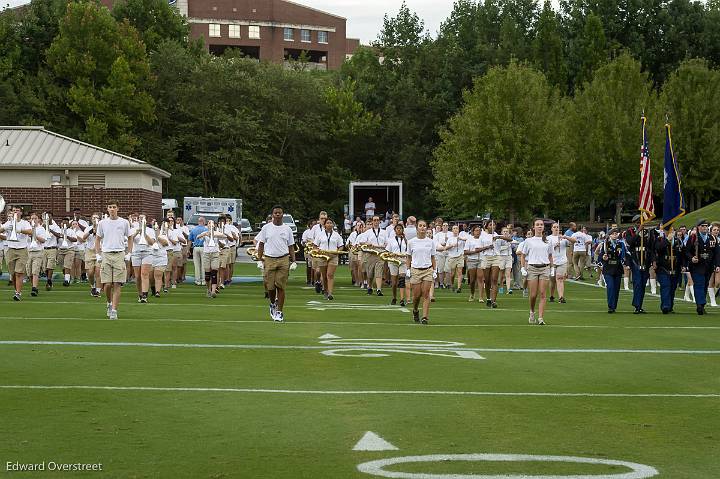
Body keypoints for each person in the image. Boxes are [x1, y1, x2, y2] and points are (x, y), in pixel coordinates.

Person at [256, 205, 297, 322]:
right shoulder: (266, 228)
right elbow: (261, 244)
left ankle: (279, 311)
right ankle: (273, 303)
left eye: (280, 213)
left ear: (282, 214)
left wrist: (293, 260)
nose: (278, 215)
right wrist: (259, 259)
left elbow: (291, 246)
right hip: (269, 258)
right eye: (276, 213)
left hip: (283, 258)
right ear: (272, 215)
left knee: (281, 285)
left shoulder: (287, 229)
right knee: (270, 286)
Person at [95, 200, 131, 320]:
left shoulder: (124, 222)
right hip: (106, 254)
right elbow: (98, 239)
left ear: (118, 208)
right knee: (107, 284)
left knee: (117, 283)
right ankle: (109, 303)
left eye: (114, 207)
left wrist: (129, 253)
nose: (112, 209)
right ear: (107, 209)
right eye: (110, 207)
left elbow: (130, 238)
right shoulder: (102, 223)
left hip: (119, 253)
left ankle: (114, 310)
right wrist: (98, 253)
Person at [519, 219, 554, 325]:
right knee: (533, 295)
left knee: (543, 294)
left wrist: (552, 268)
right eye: (537, 225)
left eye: (541, 225)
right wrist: (522, 268)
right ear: (533, 227)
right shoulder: (528, 241)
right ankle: (532, 311)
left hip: (545, 268)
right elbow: (523, 255)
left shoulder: (548, 241)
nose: (539, 226)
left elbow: (550, 255)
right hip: (532, 268)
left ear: (543, 227)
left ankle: (540, 318)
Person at [685, 219, 718, 315]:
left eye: (706, 226)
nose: (705, 228)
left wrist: (717, 265)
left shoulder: (713, 238)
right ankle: (700, 304)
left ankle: (701, 306)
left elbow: (717, 253)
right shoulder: (693, 238)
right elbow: (686, 251)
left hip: (708, 266)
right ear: (698, 227)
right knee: (699, 284)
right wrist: (692, 258)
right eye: (702, 226)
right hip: (697, 266)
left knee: (705, 285)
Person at [406, 220, 436, 324]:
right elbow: (409, 257)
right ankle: (415, 310)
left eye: (424, 226)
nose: (422, 228)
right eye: (420, 226)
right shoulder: (411, 242)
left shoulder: (431, 242)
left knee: (426, 293)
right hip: (415, 270)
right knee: (416, 296)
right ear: (417, 228)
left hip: (427, 269)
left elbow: (433, 257)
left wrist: (434, 270)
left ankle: (425, 317)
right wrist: (408, 269)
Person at [625, 215, 656, 314]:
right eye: (638, 222)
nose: (640, 224)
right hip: (636, 260)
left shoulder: (649, 233)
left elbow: (652, 248)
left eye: (641, 222)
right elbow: (630, 242)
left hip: (646, 260)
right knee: (637, 283)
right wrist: (638, 231)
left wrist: (653, 261)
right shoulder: (630, 231)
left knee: (643, 284)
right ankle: (637, 305)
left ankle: (640, 305)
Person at [1, 208, 32, 301]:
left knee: (19, 273)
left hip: (22, 249)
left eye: (17, 210)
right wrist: (5, 228)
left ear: (21, 213)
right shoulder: (8, 222)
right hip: (11, 249)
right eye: (14, 211)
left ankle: (18, 293)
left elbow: (31, 232)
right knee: (13, 274)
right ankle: (16, 290)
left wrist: (20, 230)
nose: (16, 212)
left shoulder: (25, 223)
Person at [654, 228, 684, 314]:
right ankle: (665, 306)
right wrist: (667, 240)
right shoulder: (660, 239)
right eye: (669, 231)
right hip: (663, 268)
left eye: (672, 231)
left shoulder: (678, 241)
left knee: (672, 287)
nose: (671, 233)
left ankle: (670, 306)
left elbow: (682, 253)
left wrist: (683, 265)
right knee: (665, 286)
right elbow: (658, 248)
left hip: (675, 268)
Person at [313, 218, 344, 300]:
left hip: (333, 256)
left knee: (330, 274)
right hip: (323, 256)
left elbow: (341, 246)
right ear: (325, 225)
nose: (329, 224)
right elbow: (315, 246)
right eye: (328, 223)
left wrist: (337, 252)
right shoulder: (320, 234)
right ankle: (326, 290)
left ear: (333, 225)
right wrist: (317, 251)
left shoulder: (337, 235)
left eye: (331, 223)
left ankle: (330, 293)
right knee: (324, 276)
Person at [196, 220, 226, 298]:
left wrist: (215, 235)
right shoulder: (205, 233)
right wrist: (205, 234)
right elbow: (197, 237)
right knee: (207, 275)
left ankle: (213, 291)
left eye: (212, 223)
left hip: (215, 253)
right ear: (207, 225)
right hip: (206, 254)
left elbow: (224, 236)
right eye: (209, 223)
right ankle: (208, 289)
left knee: (214, 272)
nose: (211, 224)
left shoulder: (216, 232)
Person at [130, 214, 156, 303]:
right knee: (137, 277)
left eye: (143, 218)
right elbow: (129, 240)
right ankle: (140, 294)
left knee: (144, 274)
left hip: (147, 253)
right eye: (140, 218)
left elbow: (151, 242)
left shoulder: (150, 230)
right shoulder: (133, 229)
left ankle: (145, 295)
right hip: (136, 253)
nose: (141, 220)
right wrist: (137, 232)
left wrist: (144, 233)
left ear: (146, 220)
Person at [598, 228, 626, 313]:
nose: (615, 235)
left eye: (616, 233)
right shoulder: (605, 244)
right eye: (613, 233)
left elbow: (624, 255)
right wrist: (603, 258)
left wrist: (625, 262)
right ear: (609, 235)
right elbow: (600, 256)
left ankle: (614, 306)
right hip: (608, 268)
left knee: (616, 288)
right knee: (610, 286)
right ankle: (610, 306)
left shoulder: (621, 244)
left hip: (617, 268)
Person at [548, 223, 576, 303]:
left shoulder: (563, 238)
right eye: (554, 227)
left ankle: (561, 297)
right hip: (552, 262)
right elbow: (545, 250)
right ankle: (551, 296)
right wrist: (554, 246)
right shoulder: (548, 238)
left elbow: (574, 241)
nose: (556, 228)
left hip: (562, 261)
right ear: (551, 229)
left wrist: (565, 237)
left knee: (560, 278)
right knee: (552, 280)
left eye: (557, 227)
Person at [361, 215, 388, 296]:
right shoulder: (368, 232)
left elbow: (387, 242)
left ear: (379, 221)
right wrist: (367, 243)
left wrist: (385, 245)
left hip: (380, 253)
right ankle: (369, 287)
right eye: (374, 220)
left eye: (377, 220)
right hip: (370, 254)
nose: (376, 222)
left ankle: (378, 289)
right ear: (372, 222)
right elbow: (361, 242)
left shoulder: (384, 232)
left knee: (379, 271)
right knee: (370, 273)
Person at [386, 223, 409, 306]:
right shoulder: (391, 240)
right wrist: (391, 254)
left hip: (402, 261)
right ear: (395, 230)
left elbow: (408, 252)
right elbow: (388, 251)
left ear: (403, 230)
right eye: (397, 228)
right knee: (394, 282)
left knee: (402, 280)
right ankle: (394, 297)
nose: (399, 230)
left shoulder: (406, 240)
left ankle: (402, 299)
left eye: (400, 228)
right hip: (393, 261)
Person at [463, 225, 488, 303]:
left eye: (479, 230)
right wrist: (474, 252)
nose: (478, 232)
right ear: (473, 232)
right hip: (471, 260)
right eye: (476, 230)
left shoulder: (483, 240)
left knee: (480, 278)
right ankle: (472, 293)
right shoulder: (469, 240)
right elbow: (465, 251)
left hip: (481, 259)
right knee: (472, 280)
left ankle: (481, 297)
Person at [25, 213, 47, 297]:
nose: (33, 220)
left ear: (38, 220)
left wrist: (34, 234)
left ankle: (34, 288)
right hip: (28, 252)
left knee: (35, 271)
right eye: (32, 218)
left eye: (35, 218)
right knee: (29, 272)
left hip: (38, 252)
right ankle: (34, 286)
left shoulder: (41, 229)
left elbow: (43, 240)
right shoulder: (27, 229)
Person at [188, 217, 208, 286]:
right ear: (203, 221)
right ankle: (203, 280)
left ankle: (197, 280)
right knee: (203, 265)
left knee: (196, 265)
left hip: (196, 247)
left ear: (198, 221)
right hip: (204, 248)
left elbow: (190, 240)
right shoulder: (206, 229)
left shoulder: (193, 229)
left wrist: (188, 249)